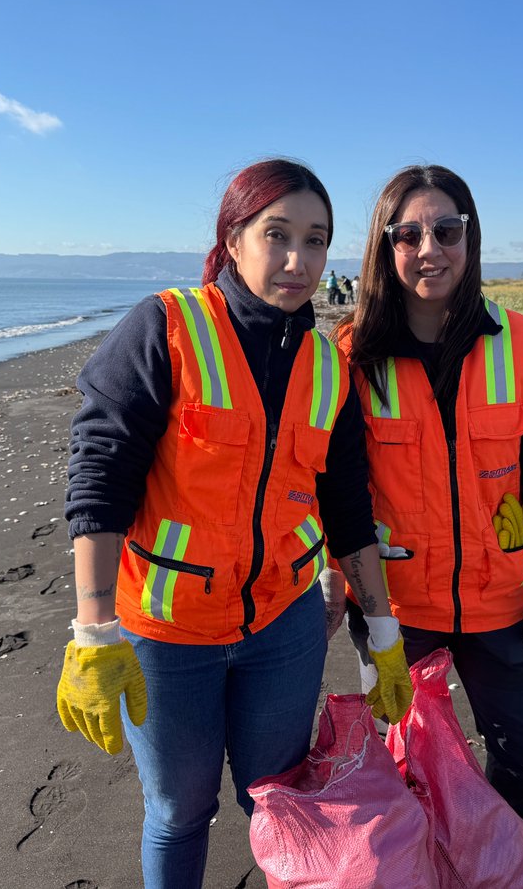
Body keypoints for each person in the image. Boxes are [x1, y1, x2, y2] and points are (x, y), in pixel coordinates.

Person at [57, 159, 413, 888]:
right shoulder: (165, 327)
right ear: (232, 238)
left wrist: (383, 632)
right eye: (276, 234)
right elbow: (100, 480)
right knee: (180, 810)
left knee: (278, 800)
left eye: (316, 241)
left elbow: (348, 508)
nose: (296, 259)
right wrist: (94, 632)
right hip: (165, 634)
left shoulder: (326, 364)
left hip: (282, 630)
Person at [329, 164, 523, 828]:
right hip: (396, 609)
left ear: (470, 237)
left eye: (446, 230)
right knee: (401, 759)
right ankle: (423, 859)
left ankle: (499, 849)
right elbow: (335, 491)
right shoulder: (353, 353)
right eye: (408, 234)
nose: (429, 249)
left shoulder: (522, 342)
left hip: (504, 598)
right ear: (387, 247)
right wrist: (339, 589)